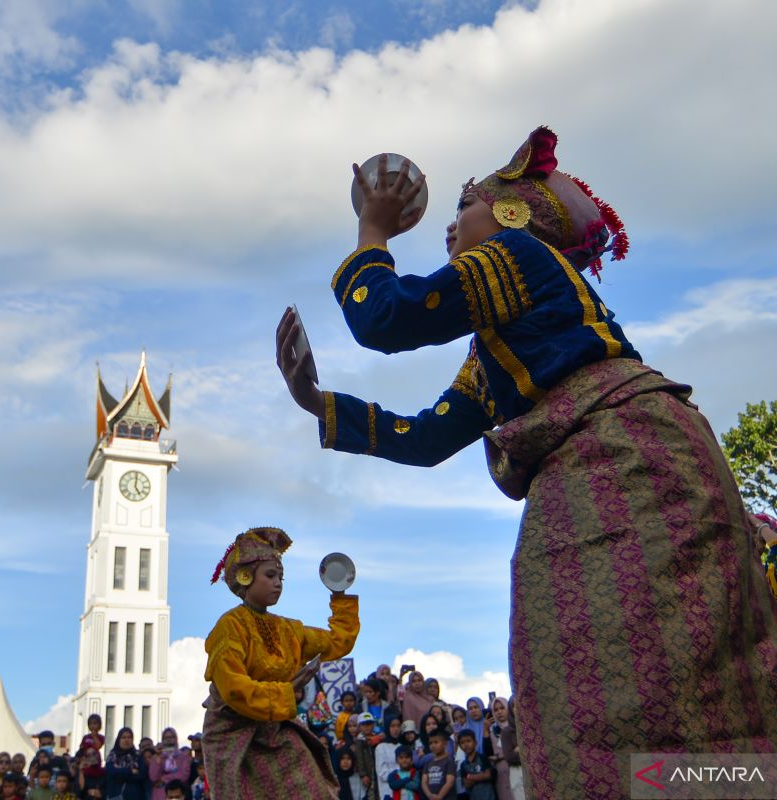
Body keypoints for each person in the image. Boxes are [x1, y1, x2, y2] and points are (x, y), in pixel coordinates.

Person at [276, 126, 777, 797]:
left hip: (626, 459)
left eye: (462, 206)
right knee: (608, 682)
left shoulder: (519, 256)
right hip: (615, 462)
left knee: (654, 676)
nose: (450, 226)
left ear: (511, 214)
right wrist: (317, 402)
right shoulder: (499, 345)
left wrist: (372, 228)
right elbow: (428, 437)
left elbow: (386, 318)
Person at [201, 527, 360, 800]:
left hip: (276, 730)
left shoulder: (288, 630)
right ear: (245, 577)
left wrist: (340, 595)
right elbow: (233, 689)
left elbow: (337, 642)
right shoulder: (230, 627)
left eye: (281, 577)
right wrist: (285, 693)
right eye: (271, 575)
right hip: (235, 736)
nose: (278, 583)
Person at [103, 730, 147, 800]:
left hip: (135, 796)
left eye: (129, 737)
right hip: (115, 795)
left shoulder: (138, 756)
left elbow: (141, 775)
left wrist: (119, 771)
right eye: (123, 737)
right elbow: (111, 772)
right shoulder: (112, 756)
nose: (126, 740)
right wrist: (130, 771)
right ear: (118, 740)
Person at [146, 729, 189, 800]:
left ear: (176, 738)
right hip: (160, 794)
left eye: (171, 737)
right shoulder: (156, 757)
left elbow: (183, 775)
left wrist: (163, 779)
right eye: (166, 738)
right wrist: (158, 759)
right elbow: (153, 777)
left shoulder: (183, 757)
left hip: (177, 793)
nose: (169, 740)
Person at [454, 732, 491, 800]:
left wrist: (471, 777)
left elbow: (488, 775)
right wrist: (480, 776)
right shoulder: (463, 765)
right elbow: (466, 784)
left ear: (475, 743)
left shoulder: (482, 757)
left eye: (468, 741)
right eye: (462, 742)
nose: (466, 744)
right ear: (460, 746)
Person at [418, 732, 454, 800]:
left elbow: (450, 782)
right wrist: (429, 795)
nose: (433, 745)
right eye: (430, 743)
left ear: (445, 744)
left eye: (436, 742)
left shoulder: (449, 761)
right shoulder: (428, 763)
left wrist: (439, 796)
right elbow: (424, 782)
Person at [373, 717, 402, 800]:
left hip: (402, 790)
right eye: (392, 726)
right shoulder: (380, 747)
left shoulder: (402, 746)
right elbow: (382, 773)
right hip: (387, 790)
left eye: (398, 726)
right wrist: (399, 776)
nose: (396, 729)